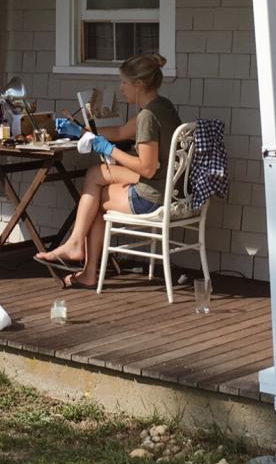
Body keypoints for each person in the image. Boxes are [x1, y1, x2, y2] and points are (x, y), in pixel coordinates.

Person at [36, 53, 180, 288]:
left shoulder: (147, 117)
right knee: (96, 173)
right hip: (170, 185)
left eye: (124, 82)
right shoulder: (161, 106)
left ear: (139, 84)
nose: (120, 88)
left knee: (98, 201)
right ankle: (76, 246)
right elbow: (122, 131)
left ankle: (83, 261)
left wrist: (109, 149)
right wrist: (83, 133)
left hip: (154, 194)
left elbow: (147, 167)